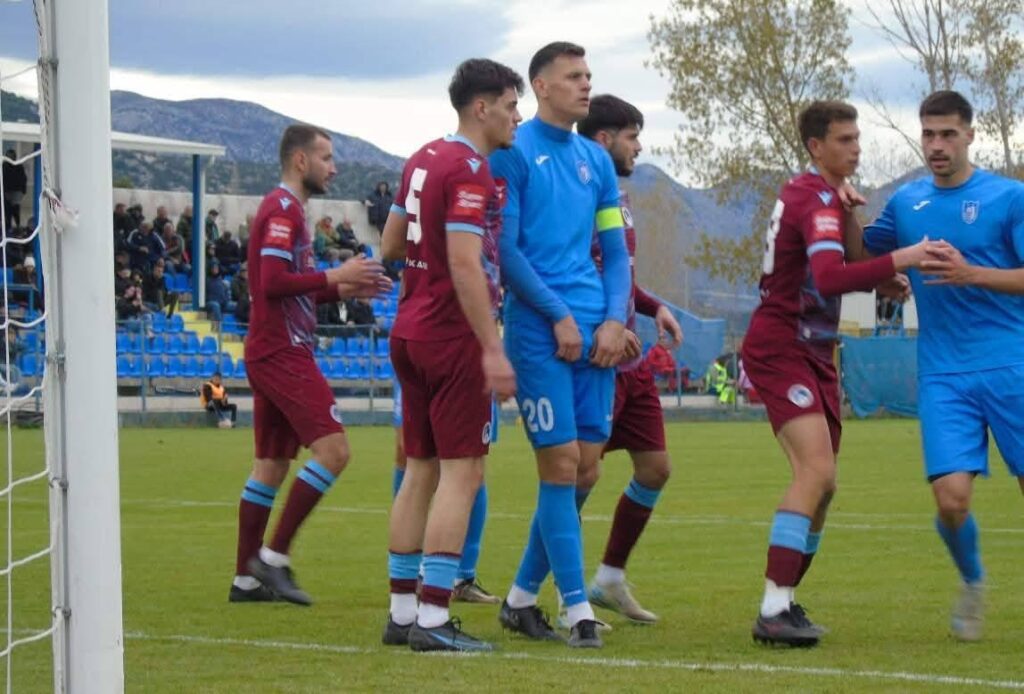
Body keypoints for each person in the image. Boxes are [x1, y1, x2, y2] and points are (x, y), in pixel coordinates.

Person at [741, 100, 931, 647]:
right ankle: (773, 608)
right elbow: (828, 277)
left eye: (857, 138)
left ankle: (784, 602)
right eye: (844, 140)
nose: (856, 148)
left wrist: (872, 266)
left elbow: (845, 261)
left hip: (815, 350)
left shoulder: (826, 197)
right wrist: (905, 258)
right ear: (815, 146)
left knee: (824, 488)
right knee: (816, 472)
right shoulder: (815, 198)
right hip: (783, 345)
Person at [855, 90, 1024, 642]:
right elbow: (861, 257)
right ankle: (972, 582)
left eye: (948, 134)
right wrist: (839, 205)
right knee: (951, 500)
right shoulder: (907, 204)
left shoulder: (1008, 197)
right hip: (944, 373)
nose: (937, 145)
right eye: (928, 134)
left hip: (1012, 364)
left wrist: (972, 273)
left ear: (970, 135)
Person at [490, 42, 631, 649]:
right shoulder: (513, 153)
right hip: (538, 331)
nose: (586, 85)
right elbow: (506, 251)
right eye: (574, 76)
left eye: (588, 75)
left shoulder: (596, 161)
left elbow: (616, 253)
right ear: (541, 86)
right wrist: (558, 316)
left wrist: (614, 320)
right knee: (560, 464)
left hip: (596, 329)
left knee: (588, 467)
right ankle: (577, 610)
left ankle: (520, 599)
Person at [378, 57, 521, 653]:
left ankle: (402, 613)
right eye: (510, 105)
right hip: (451, 335)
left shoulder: (421, 158)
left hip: (410, 329)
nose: (517, 117)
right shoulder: (469, 169)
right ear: (481, 108)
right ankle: (434, 619)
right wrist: (492, 347)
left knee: (420, 470)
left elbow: (390, 243)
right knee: (463, 473)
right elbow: (465, 263)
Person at [230, 123, 391, 606]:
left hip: (274, 347)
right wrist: (335, 273)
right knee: (334, 452)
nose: (333, 168)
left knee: (271, 465)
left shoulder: (288, 210)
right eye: (326, 158)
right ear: (300, 161)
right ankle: (273, 558)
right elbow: (271, 282)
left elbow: (288, 286)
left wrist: (342, 288)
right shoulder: (282, 209)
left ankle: (246, 580)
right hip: (282, 350)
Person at [577, 94, 684, 624]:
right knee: (577, 477)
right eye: (632, 136)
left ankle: (609, 579)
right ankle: (544, 594)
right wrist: (609, 328)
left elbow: (621, 275)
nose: (638, 147)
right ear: (604, 139)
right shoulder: (575, 198)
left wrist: (653, 306)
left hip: (633, 363)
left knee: (655, 468)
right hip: (598, 359)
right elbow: (577, 275)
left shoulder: (614, 197)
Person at [2, 148, 27, 234]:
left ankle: (14, 226)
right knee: (9, 210)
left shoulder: (17, 166)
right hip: (8, 191)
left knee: (13, 209)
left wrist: (23, 190)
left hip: (14, 192)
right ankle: (11, 226)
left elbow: (23, 179)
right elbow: (23, 179)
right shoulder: (4, 166)